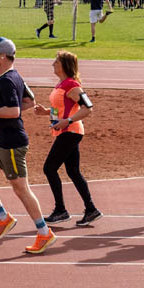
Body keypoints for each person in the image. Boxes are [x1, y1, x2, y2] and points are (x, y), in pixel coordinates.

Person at [0, 37, 55, 254]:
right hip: (2, 142)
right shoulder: (15, 76)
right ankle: (3, 218)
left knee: (21, 189)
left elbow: (15, 111)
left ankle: (44, 232)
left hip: (12, 144)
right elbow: (30, 101)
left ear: (2, 56)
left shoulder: (7, 81)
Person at [33, 51, 100, 227]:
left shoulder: (72, 85)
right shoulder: (61, 84)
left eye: (56, 61)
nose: (53, 64)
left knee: (49, 168)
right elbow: (61, 108)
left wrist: (68, 121)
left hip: (71, 131)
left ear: (64, 65)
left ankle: (61, 210)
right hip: (66, 131)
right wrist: (46, 112)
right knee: (73, 171)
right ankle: (91, 209)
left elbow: (88, 108)